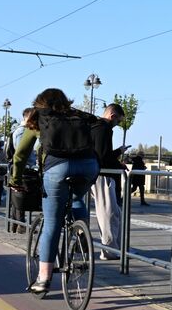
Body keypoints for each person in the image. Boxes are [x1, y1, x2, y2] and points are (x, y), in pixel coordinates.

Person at [16, 88, 107, 297]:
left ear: (40, 103)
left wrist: (15, 180)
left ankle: (43, 279)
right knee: (76, 198)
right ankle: (82, 237)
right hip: (88, 167)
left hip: (57, 169)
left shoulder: (41, 118)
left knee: (52, 223)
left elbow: (21, 154)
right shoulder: (78, 115)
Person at [90, 103, 126, 260]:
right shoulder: (104, 129)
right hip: (103, 175)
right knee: (109, 213)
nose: (117, 125)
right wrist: (119, 159)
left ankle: (113, 247)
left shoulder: (94, 126)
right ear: (112, 116)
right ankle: (109, 250)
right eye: (117, 121)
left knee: (113, 212)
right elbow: (103, 157)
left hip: (94, 172)